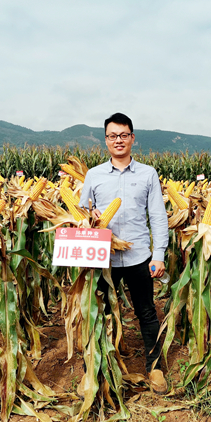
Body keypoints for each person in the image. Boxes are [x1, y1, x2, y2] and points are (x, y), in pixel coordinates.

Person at [79, 112, 169, 394]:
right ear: (105, 140)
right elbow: (80, 212)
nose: (118, 140)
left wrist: (159, 254)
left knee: (146, 312)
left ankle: (154, 368)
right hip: (102, 257)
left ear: (132, 138)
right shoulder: (93, 175)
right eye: (112, 136)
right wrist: (89, 215)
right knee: (98, 313)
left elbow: (158, 217)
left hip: (139, 255)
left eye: (123, 135)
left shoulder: (148, 173)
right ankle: (91, 371)